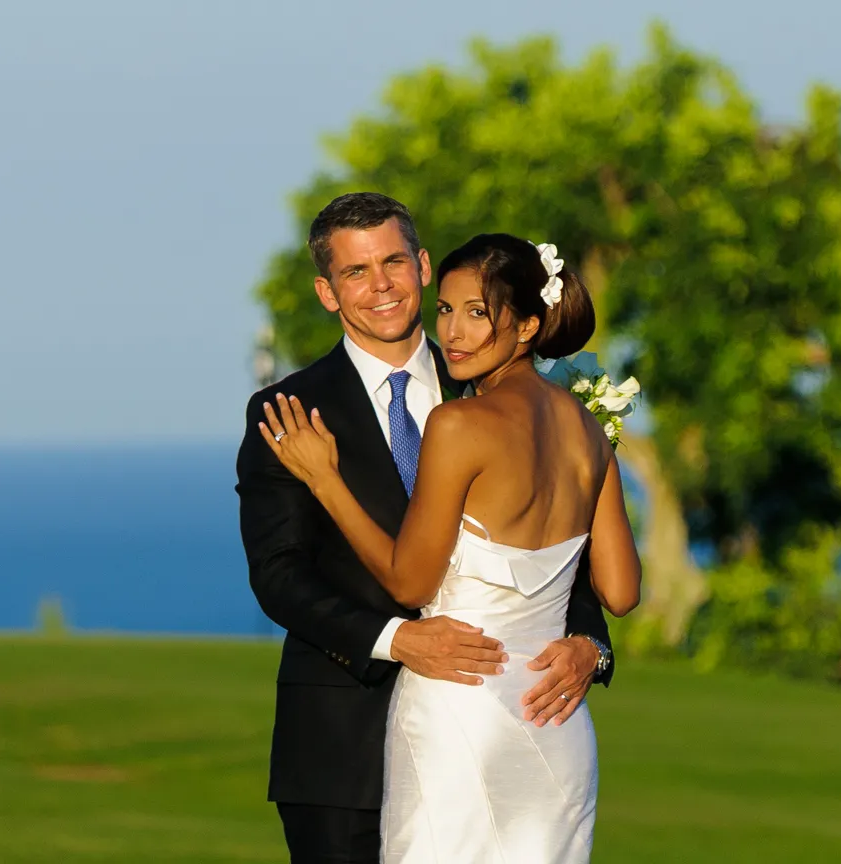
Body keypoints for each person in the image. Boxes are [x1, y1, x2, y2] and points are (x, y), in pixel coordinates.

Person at [236, 193, 618, 863]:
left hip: (505, 726)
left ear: (422, 265)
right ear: (328, 292)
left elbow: (565, 546)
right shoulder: (285, 410)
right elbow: (278, 574)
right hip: (340, 749)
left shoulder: (488, 376)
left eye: (392, 262)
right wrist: (397, 640)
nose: (380, 286)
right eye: (356, 272)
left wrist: (589, 641)